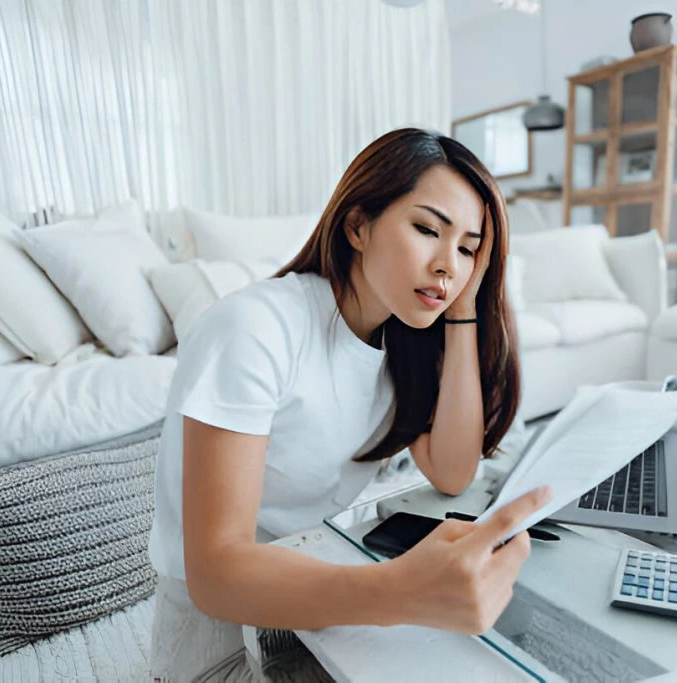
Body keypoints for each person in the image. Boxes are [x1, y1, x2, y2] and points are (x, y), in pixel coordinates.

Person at [148, 128, 553, 681]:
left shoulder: (400, 342)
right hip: (221, 636)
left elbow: (454, 472)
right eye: (427, 230)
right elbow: (216, 575)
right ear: (358, 226)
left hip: (324, 598)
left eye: (466, 248)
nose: (447, 265)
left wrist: (462, 312)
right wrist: (404, 592)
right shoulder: (255, 328)